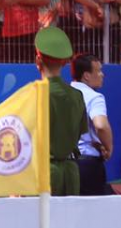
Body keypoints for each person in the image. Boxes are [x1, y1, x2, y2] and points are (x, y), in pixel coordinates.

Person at [34, 27, 85, 196]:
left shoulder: (34, 95)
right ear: (64, 62)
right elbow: (79, 133)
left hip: (43, 173)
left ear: (38, 61)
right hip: (72, 173)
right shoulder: (77, 96)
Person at [69, 53, 112, 197]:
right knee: (93, 216)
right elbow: (101, 126)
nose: (102, 75)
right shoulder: (94, 97)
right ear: (86, 76)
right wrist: (108, 147)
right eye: (99, 71)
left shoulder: (64, 94)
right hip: (88, 166)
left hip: (66, 166)